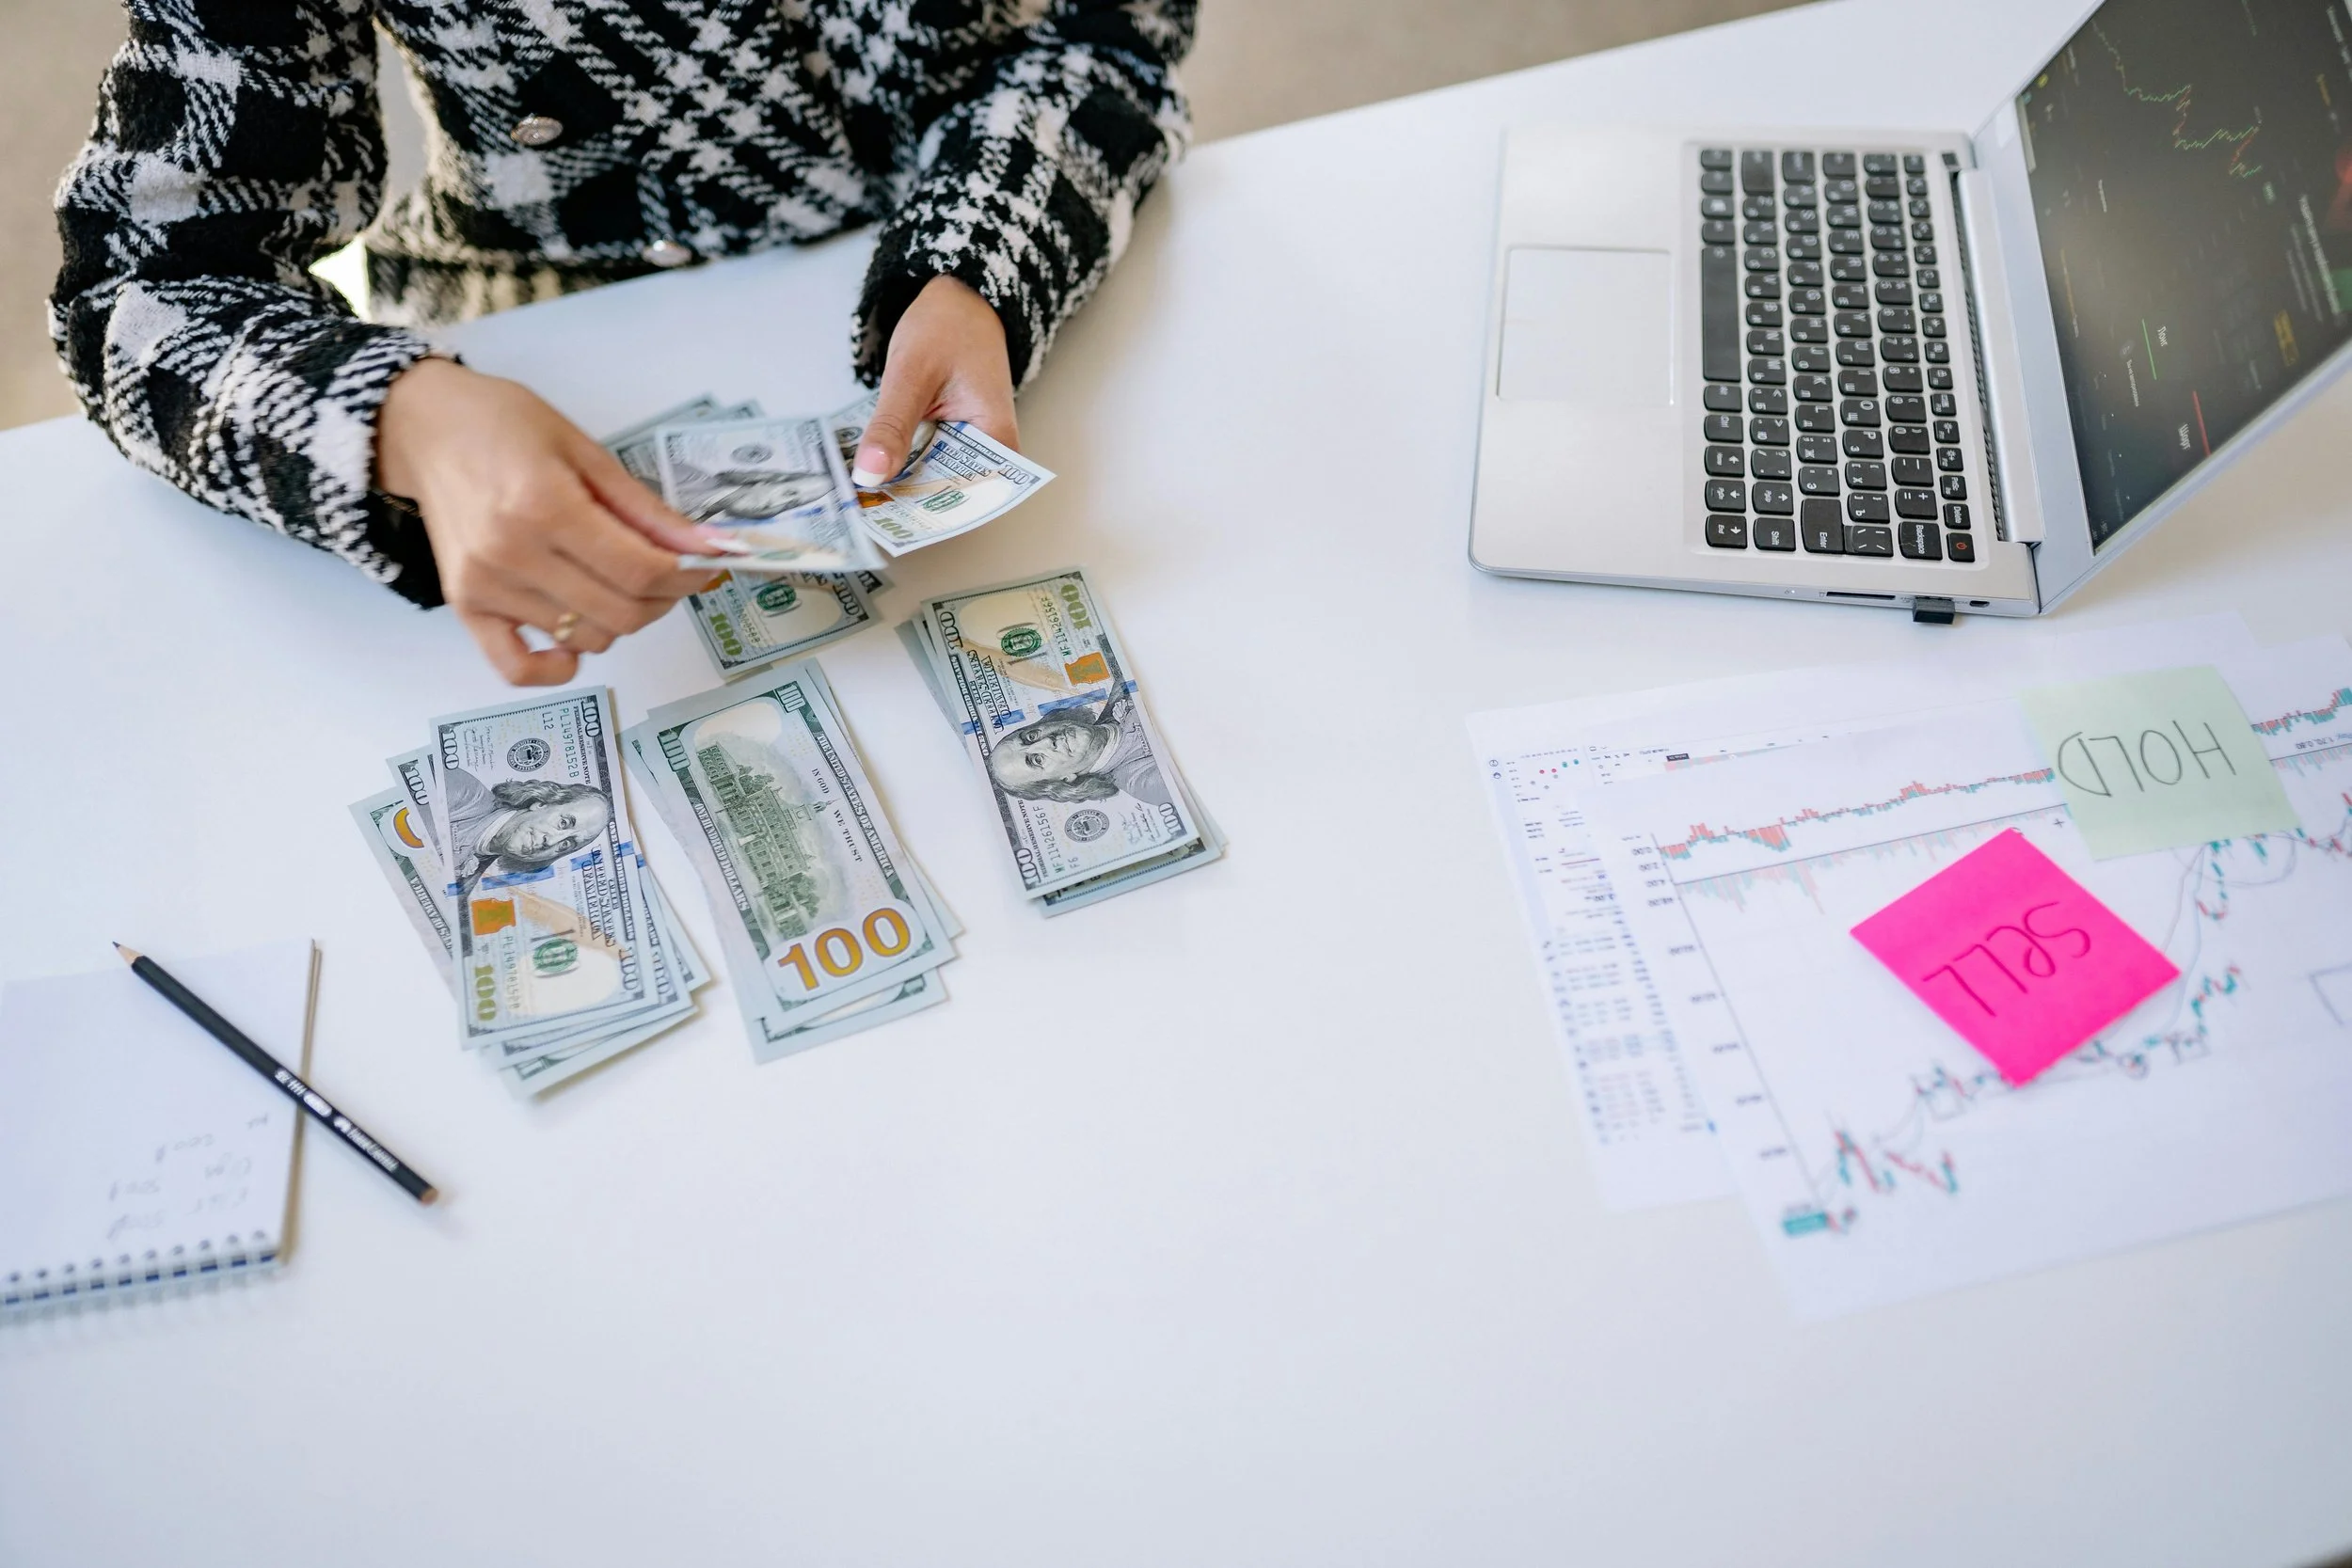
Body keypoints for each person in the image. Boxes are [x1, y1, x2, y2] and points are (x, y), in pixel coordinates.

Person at [51, 1, 1194, 686]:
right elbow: (138, 287)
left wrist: (979, 261)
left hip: (990, 239)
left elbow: (1114, 31)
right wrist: (399, 420)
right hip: (544, 315)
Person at [986, 689, 1171, 808]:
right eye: (1037, 760)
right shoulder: (1144, 781)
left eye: (1030, 737)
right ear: (1065, 781)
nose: (1047, 741)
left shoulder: (1119, 688)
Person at [441, 770, 612, 895]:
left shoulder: (468, 885)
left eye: (566, 844)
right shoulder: (461, 791)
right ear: (541, 804)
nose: (551, 842)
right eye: (563, 823)